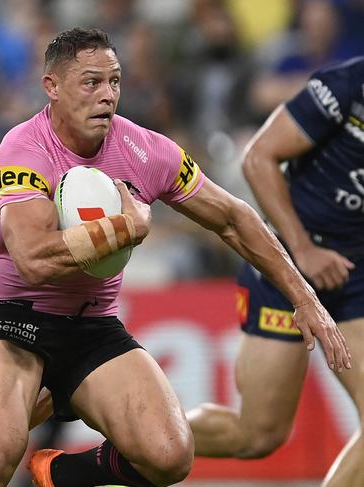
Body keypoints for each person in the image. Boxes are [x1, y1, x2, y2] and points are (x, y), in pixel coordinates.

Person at [0, 28, 350, 487]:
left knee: (170, 455)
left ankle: (60, 473)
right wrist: (127, 227)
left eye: (115, 82)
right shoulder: (23, 150)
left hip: (91, 324)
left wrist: (304, 296)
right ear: (51, 87)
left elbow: (233, 219)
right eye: (91, 82)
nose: (107, 95)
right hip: (15, 319)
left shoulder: (144, 149)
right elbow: (33, 260)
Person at [187, 56, 364, 487]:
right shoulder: (348, 86)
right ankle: (126, 435)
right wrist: (301, 250)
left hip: (352, 276)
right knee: (257, 434)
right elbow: (258, 157)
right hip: (287, 267)